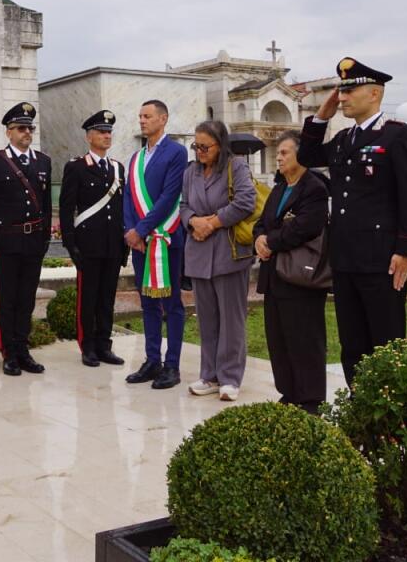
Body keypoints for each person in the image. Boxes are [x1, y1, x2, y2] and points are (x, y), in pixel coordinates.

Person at [298, 57, 407, 386]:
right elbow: (307, 157)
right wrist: (321, 116)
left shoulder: (398, 136)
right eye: (340, 91)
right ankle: (360, 409)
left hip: (382, 259)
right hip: (345, 258)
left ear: (374, 94)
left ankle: (389, 414)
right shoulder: (344, 140)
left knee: (385, 341)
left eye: (349, 91)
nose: (342, 97)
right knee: (352, 343)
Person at [254, 130, 330, 414]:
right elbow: (264, 221)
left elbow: (307, 225)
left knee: (305, 338)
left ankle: (310, 399)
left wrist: (271, 241)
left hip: (302, 277)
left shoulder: (315, 187)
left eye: (285, 152)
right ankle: (289, 392)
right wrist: (260, 238)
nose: (279, 157)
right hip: (274, 275)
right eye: (279, 153)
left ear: (301, 155)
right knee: (279, 338)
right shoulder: (279, 186)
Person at [179, 120, 255, 402]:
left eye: (205, 147)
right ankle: (209, 375)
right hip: (198, 253)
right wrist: (194, 222)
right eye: (196, 146)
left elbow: (246, 201)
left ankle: (230, 377)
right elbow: (183, 205)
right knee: (207, 319)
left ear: (220, 146)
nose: (199, 151)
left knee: (232, 320)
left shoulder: (237, 168)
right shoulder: (191, 172)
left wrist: (213, 222)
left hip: (229, 252)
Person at [0, 102, 52, 376]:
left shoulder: (43, 161)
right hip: (6, 242)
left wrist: (44, 239)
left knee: (27, 299)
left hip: (32, 243)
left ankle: (23, 349)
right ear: (9, 132)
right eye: (21, 128)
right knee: (6, 300)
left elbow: (45, 206)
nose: (27, 132)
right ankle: (8, 352)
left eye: (29, 128)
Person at [123, 100, 189, 391]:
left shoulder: (177, 152)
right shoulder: (136, 158)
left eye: (147, 116)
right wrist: (130, 231)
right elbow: (127, 197)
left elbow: (169, 195)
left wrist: (142, 229)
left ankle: (171, 364)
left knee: (171, 303)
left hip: (165, 240)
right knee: (147, 301)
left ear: (163, 119)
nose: (142, 121)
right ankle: (152, 360)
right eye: (140, 116)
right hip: (140, 243)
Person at [59, 110, 128, 367]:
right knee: (88, 298)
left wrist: (123, 247)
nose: (106, 136)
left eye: (109, 132)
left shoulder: (118, 168)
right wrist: (70, 243)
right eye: (101, 132)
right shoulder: (76, 167)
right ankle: (87, 346)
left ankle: (104, 345)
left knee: (107, 297)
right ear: (89, 137)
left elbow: (121, 208)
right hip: (88, 245)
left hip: (112, 244)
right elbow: (66, 209)